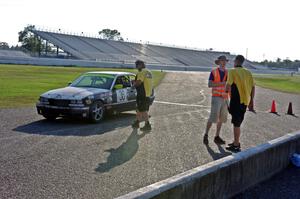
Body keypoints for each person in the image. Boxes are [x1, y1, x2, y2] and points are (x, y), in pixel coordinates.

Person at [225, 55, 255, 152]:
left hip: (236, 101)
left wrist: (226, 97)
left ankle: (236, 145)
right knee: (238, 122)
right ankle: (235, 141)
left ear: (236, 61)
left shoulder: (232, 71)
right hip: (245, 101)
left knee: (236, 123)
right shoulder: (248, 72)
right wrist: (252, 101)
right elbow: (253, 87)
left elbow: (228, 85)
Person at [203, 55, 229, 145]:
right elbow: (210, 84)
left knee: (221, 119)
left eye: (225, 61)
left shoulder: (227, 72)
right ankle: (206, 134)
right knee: (213, 117)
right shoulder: (214, 72)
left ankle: (217, 136)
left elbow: (229, 85)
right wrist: (222, 83)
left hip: (225, 98)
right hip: (216, 97)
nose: (224, 62)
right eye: (222, 61)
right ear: (219, 62)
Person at [131, 60, 153, 131]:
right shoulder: (148, 71)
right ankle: (137, 122)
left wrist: (133, 85)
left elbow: (139, 82)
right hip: (148, 93)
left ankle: (147, 125)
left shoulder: (142, 72)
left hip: (142, 94)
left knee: (143, 110)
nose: (136, 67)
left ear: (140, 65)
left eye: (137, 65)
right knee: (139, 109)